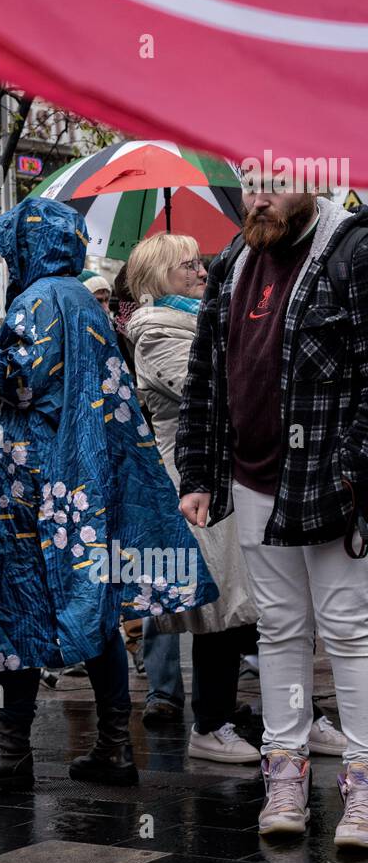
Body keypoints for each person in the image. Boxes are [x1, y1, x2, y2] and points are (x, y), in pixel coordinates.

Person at [0, 198, 218, 788]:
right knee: (97, 608)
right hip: (85, 484)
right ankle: (113, 745)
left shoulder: (37, 300)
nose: (7, 261)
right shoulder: (83, 299)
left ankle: (11, 746)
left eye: (12, 251)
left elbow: (19, 381)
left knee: (17, 608)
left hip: (31, 487)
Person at [176, 177, 368, 847]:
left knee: (349, 633)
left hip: (329, 483)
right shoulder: (232, 260)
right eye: (250, 186)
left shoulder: (352, 251)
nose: (258, 200)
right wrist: (199, 472)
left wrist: (353, 471)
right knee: (279, 631)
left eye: (276, 188)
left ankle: (363, 785)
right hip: (253, 482)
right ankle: (282, 780)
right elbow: (206, 375)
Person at [126, 233, 262, 763]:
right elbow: (210, 393)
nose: (202, 272)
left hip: (222, 480)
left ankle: (232, 714)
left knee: (238, 607)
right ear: (158, 277)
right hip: (190, 484)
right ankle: (209, 725)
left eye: (201, 263)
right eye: (188, 266)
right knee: (216, 608)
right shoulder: (157, 332)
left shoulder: (196, 321)